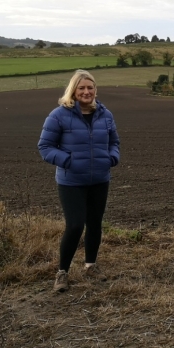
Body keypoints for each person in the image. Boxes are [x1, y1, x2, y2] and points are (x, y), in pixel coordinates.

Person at [38, 70, 120, 292]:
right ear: (73, 90)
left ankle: (90, 265)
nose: (86, 92)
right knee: (75, 225)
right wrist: (69, 161)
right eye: (81, 88)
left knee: (95, 223)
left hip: (100, 179)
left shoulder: (106, 115)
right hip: (71, 181)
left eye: (90, 87)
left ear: (95, 90)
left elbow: (114, 142)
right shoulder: (58, 115)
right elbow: (45, 147)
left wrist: (112, 157)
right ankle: (62, 272)